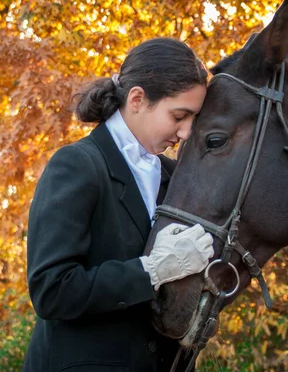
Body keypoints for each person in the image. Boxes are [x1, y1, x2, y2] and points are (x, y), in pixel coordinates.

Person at [23, 37, 215, 372]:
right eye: (179, 116)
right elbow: (51, 290)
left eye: (193, 119)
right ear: (138, 99)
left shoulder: (176, 176)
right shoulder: (76, 165)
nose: (186, 132)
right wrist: (151, 270)